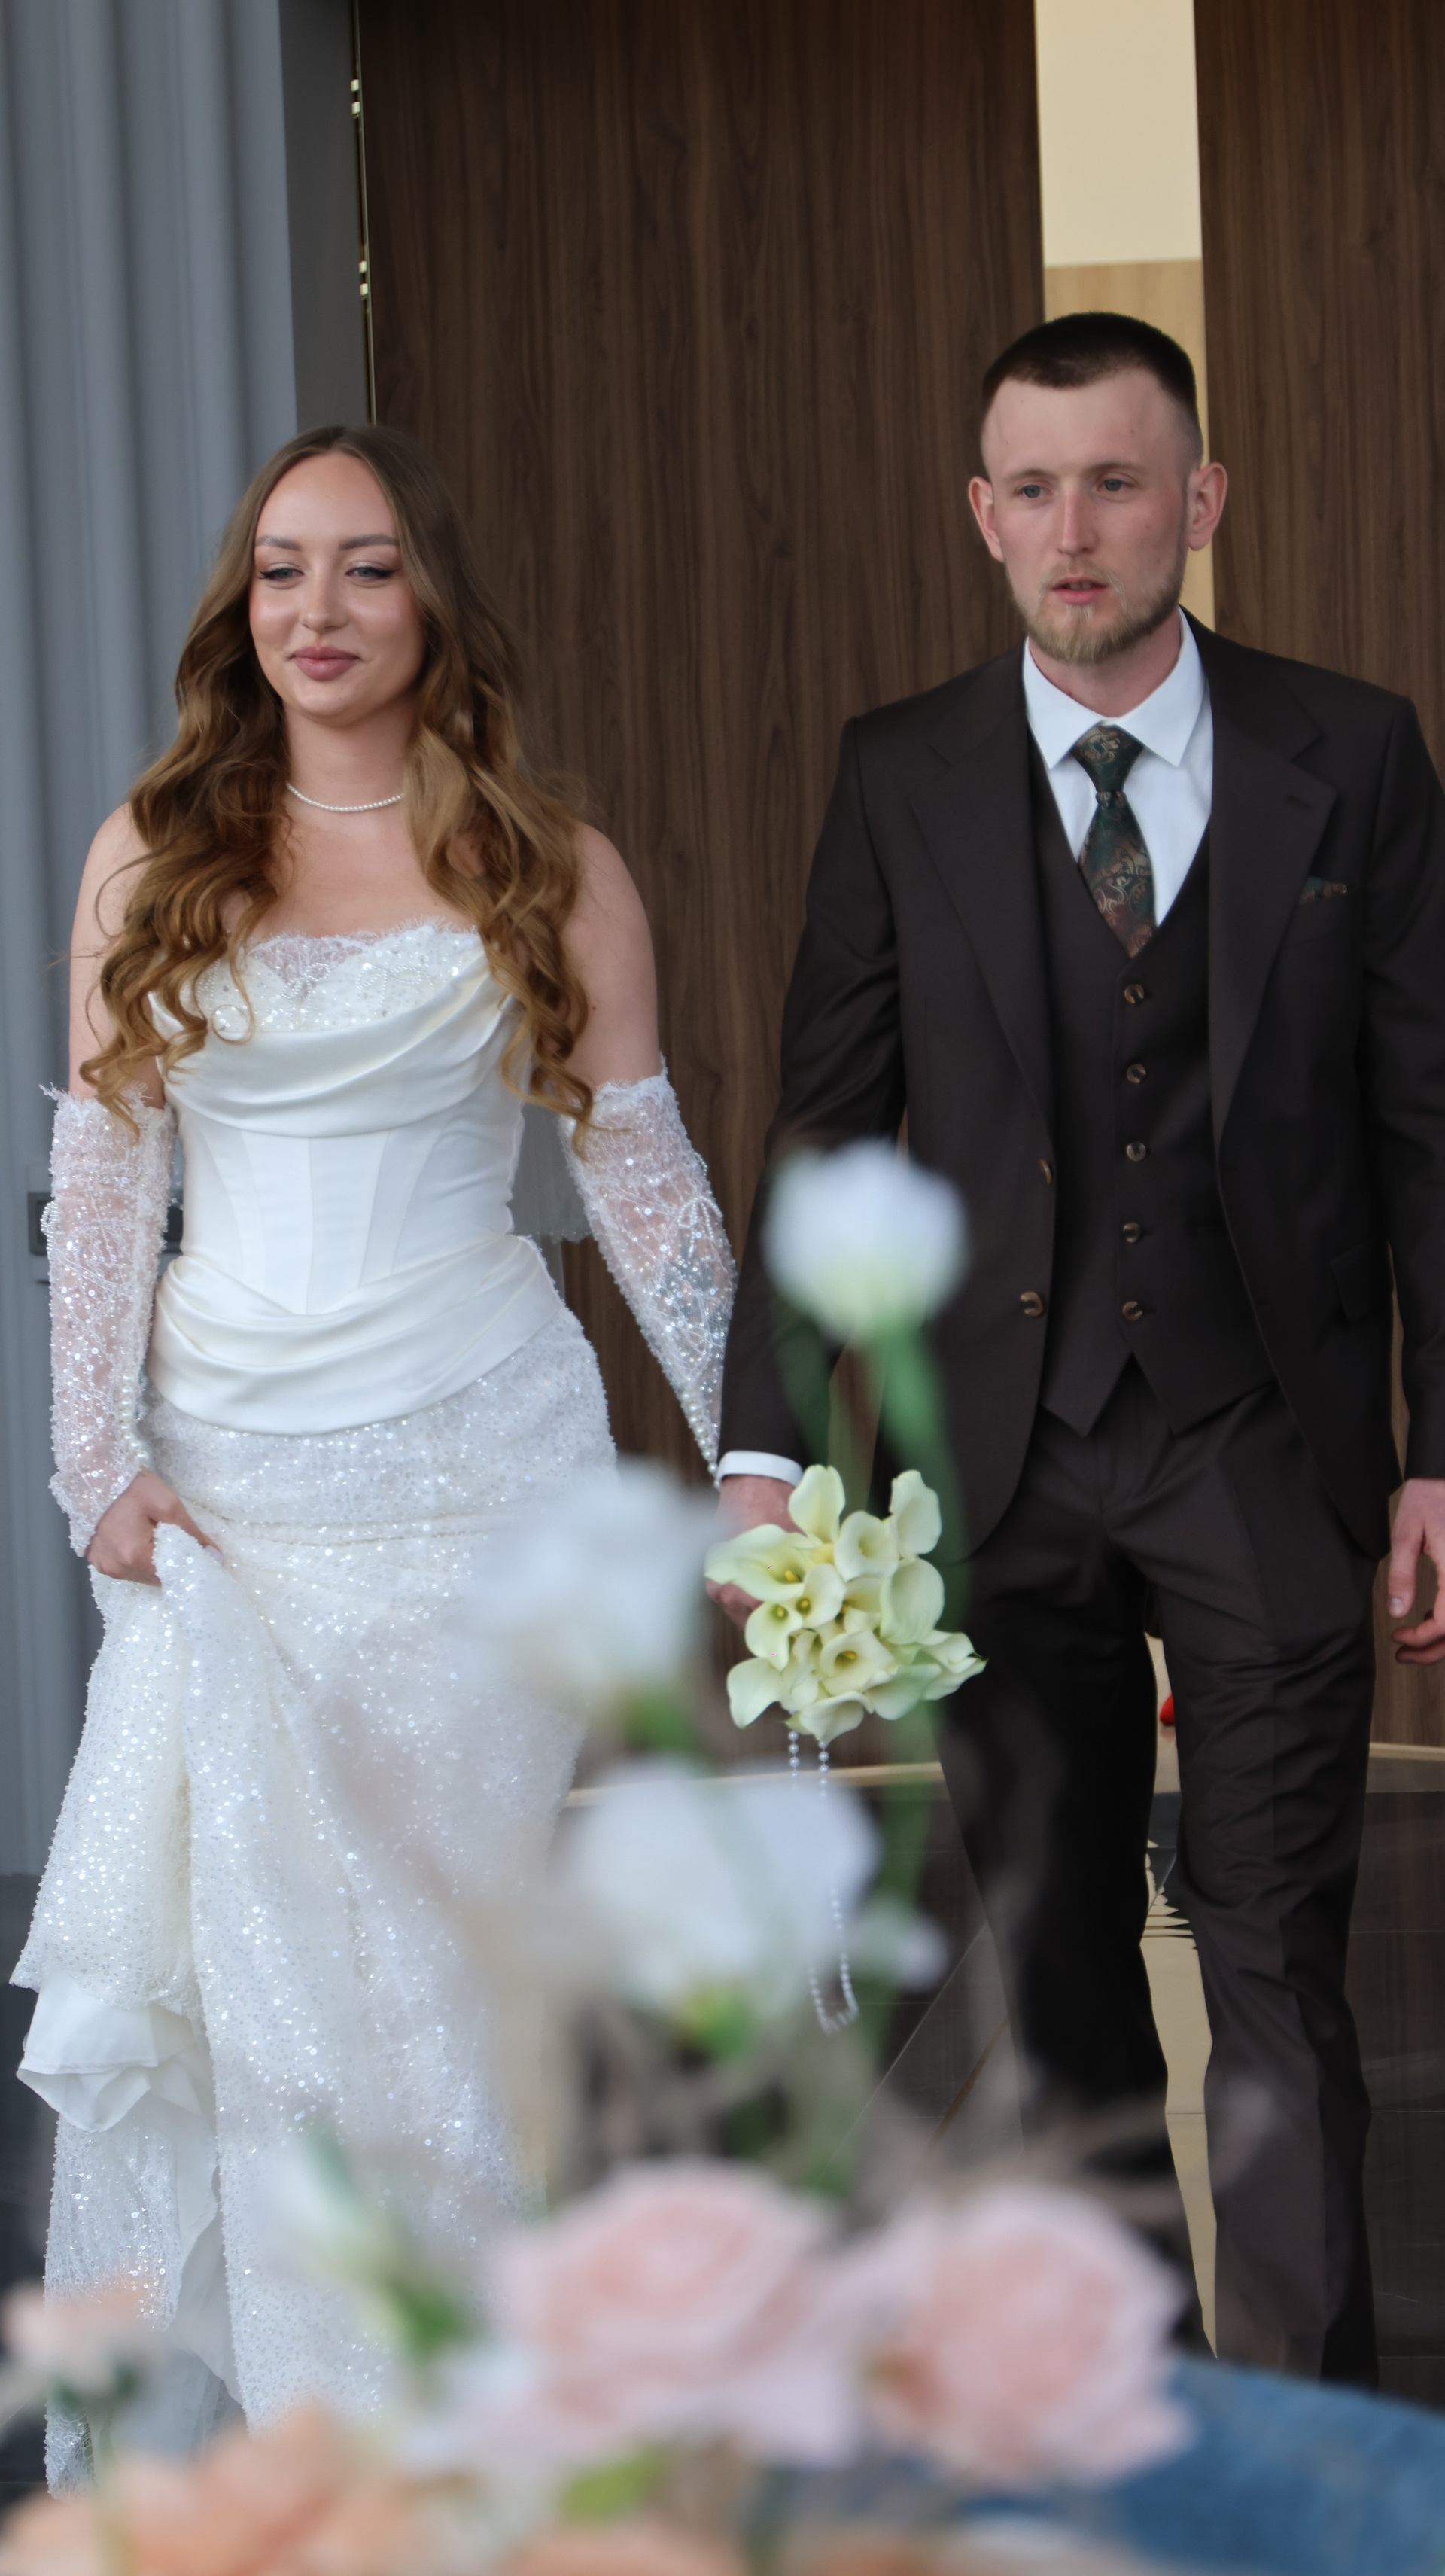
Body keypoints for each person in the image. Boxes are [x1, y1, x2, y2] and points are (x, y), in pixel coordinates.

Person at [711, 312, 1445, 2386]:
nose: (1074, 530)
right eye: (1031, 490)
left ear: (1199, 499)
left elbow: (1429, 1126)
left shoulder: (1354, 753)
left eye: (1115, 483)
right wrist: (769, 1454)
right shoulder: (901, 774)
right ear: (981, 513)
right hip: (997, 1460)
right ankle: (1140, 2410)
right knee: (1054, 1973)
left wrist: (1438, 1450)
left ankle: (1302, 2449)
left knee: (1281, 1964)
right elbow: (828, 1132)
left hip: (1265, 1441)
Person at [17, 423, 735, 2477]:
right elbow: (104, 1176)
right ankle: (302, 2469)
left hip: (482, 1488)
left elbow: (648, 1190)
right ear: (239, 607)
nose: (316, 610)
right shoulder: (156, 851)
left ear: (436, 599)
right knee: (252, 1984)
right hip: (228, 1505)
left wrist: (764, 1472)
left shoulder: (552, 865)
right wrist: (93, 1467)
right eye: (280, 570)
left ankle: (461, 2453)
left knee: (437, 1985)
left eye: (365, 567)